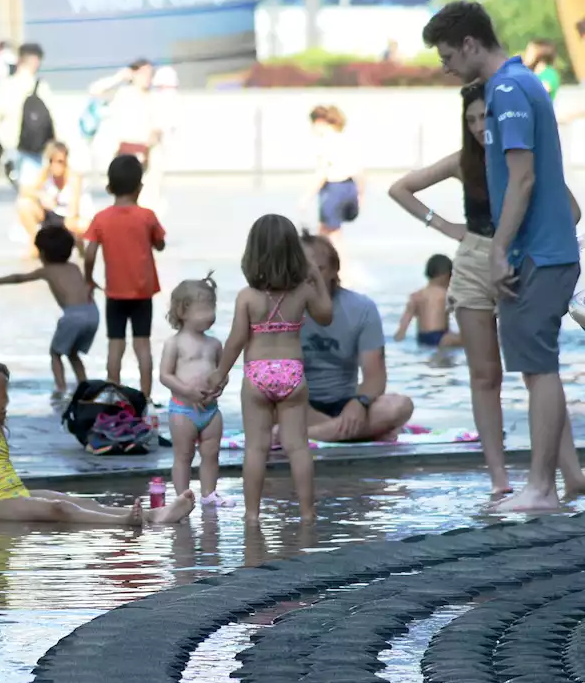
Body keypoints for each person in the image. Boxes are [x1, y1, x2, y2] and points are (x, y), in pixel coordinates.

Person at [423, 1, 582, 511]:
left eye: (448, 55)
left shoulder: (509, 90)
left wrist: (498, 252)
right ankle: (553, 484)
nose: (445, 66)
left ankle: (541, 488)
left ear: (470, 44)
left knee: (539, 369)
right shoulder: (517, 83)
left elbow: (524, 178)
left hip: (535, 252)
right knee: (539, 368)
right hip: (544, 249)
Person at [391, 82, 585, 496]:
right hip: (475, 260)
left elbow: (572, 211)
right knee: (485, 375)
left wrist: (535, 238)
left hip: (522, 260)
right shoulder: (465, 161)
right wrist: (443, 225)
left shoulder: (523, 158)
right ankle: (499, 482)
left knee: (538, 370)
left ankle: (570, 475)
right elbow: (400, 188)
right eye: (472, 119)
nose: (480, 126)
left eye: (486, 117)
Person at [0, 359, 195, 524]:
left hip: (14, 493)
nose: (6, 402)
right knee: (59, 508)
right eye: (0, 396)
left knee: (76, 501)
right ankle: (127, 520)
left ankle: (154, 515)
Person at [206, 215, 333, 521]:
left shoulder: (247, 297)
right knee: (298, 447)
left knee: (256, 449)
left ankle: (252, 515)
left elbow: (236, 340)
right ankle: (307, 512)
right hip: (292, 373)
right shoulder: (302, 292)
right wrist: (315, 275)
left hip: (257, 375)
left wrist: (219, 376)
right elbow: (326, 316)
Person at [300, 233, 416, 442]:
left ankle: (310, 435)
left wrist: (359, 402)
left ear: (335, 271)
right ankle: (347, 433)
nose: (310, 278)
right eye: (302, 271)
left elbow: (375, 377)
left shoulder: (361, 308)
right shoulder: (282, 309)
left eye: (319, 270)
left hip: (346, 406)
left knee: (400, 406)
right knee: (265, 400)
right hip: (298, 406)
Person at [0, 224, 98, 394]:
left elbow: (19, 278)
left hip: (73, 316)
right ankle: (84, 385)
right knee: (72, 352)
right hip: (92, 313)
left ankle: (61, 389)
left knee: (55, 353)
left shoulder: (47, 270)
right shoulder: (74, 267)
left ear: (42, 253)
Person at [83, 155, 166, 399]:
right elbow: (160, 244)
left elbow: (89, 253)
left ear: (109, 188)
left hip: (115, 293)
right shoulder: (147, 216)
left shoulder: (101, 218)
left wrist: (89, 278)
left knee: (115, 345)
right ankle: (146, 397)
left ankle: (113, 394)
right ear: (140, 187)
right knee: (142, 344)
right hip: (142, 292)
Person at [160, 274, 232, 507]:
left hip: (211, 411)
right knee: (183, 456)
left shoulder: (214, 344)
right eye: (203, 311)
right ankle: (182, 497)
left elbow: (222, 371)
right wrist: (187, 392)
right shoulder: (175, 343)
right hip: (183, 410)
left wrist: (219, 386)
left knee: (211, 454)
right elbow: (165, 375)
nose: (210, 315)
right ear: (182, 312)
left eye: (212, 309)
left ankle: (209, 494)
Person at [0, 43, 54, 187]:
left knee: (28, 190)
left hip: (12, 145)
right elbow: (54, 118)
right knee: (33, 190)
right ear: (36, 62)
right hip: (35, 146)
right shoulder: (41, 87)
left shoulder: (6, 86)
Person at [299, 105, 363, 240]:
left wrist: (306, 197)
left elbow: (322, 173)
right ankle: (328, 260)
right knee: (327, 230)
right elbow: (360, 171)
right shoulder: (345, 139)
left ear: (319, 122)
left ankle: (338, 261)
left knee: (331, 233)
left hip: (334, 188)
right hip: (350, 187)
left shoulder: (325, 142)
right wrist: (360, 196)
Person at [88, 59, 162, 166]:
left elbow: (158, 127)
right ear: (134, 74)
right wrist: (119, 77)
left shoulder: (154, 98)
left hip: (146, 154)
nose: (147, 77)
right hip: (123, 152)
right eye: (143, 73)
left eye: (150, 74)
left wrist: (147, 148)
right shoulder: (122, 93)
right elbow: (94, 90)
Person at [16, 140, 90, 246]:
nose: (55, 165)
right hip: (49, 216)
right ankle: (36, 243)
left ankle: (77, 248)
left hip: (67, 218)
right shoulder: (45, 173)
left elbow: (74, 212)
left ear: (66, 160)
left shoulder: (74, 178)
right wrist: (41, 195)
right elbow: (25, 190)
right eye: (52, 161)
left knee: (82, 225)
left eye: (60, 161)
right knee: (24, 204)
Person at [394, 254, 462, 348]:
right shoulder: (445, 294)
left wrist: (398, 338)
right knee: (471, 339)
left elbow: (402, 328)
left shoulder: (416, 296)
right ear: (445, 275)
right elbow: (463, 314)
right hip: (442, 338)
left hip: (422, 338)